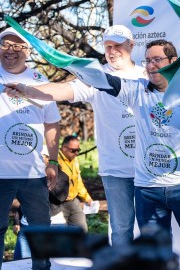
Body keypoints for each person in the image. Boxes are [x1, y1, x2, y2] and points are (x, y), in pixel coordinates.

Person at [7, 39, 180, 270]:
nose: (150, 65)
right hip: (148, 191)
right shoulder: (137, 90)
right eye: (147, 60)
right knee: (156, 251)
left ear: (172, 61)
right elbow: (104, 81)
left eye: (157, 60)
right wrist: (30, 89)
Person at [4, 25, 145, 246]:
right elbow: (61, 90)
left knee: (153, 229)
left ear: (132, 45)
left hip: (150, 169)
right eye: (108, 46)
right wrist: (28, 90)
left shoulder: (148, 74)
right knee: (121, 228)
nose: (113, 50)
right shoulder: (97, 78)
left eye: (118, 45)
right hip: (116, 170)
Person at [0, 27, 61, 270]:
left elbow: (52, 122)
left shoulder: (40, 82)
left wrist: (54, 162)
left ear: (27, 51)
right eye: (5, 45)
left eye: (17, 46)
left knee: (40, 230)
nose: (10, 51)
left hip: (33, 174)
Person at [52, 135, 92, 232]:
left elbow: (78, 181)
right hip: (57, 203)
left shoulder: (75, 160)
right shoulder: (54, 160)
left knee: (82, 230)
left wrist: (86, 197)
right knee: (62, 235)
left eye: (78, 150)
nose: (77, 153)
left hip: (73, 201)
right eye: (73, 150)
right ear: (64, 148)